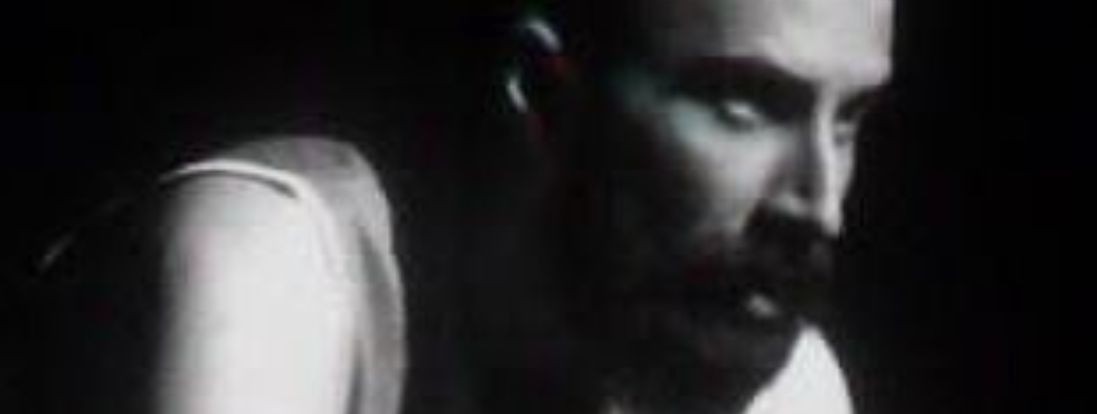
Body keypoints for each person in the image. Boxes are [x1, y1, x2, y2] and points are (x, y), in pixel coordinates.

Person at [23, 0, 893, 413]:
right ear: (544, 93)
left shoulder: (781, 387)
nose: (818, 204)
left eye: (849, 118)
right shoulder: (270, 275)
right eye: (745, 105)